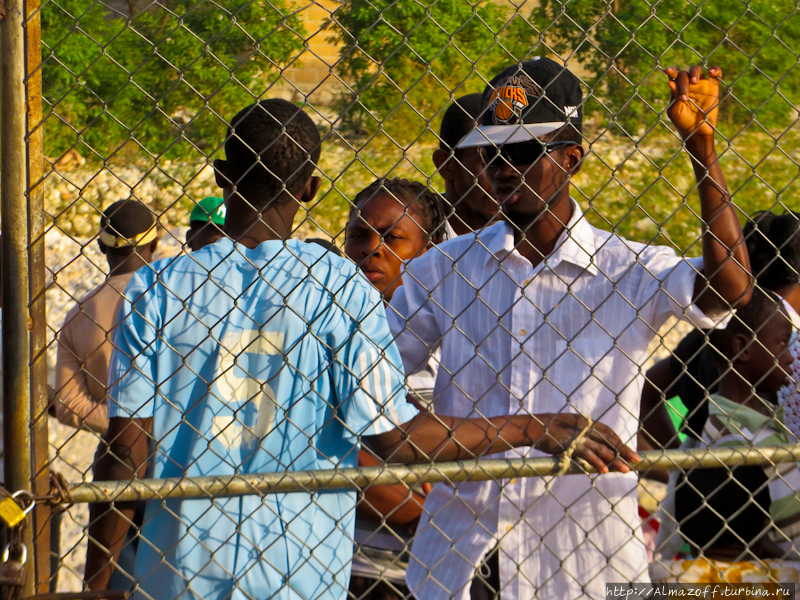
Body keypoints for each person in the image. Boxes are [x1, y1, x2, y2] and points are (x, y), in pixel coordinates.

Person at [84, 98, 637, 600]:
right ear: (310, 188)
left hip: (179, 569)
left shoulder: (160, 287)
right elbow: (393, 438)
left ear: (223, 176)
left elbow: (127, 449)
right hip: (296, 572)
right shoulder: (333, 284)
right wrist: (530, 428)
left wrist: (98, 579)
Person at [390, 58, 752, 600]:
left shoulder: (626, 267)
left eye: (523, 152)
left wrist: (702, 152)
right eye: (493, 152)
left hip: (585, 560)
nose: (504, 168)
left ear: (571, 158)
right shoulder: (441, 269)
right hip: (461, 558)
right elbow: (379, 384)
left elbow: (729, 289)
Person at [650, 288, 800, 587]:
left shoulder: (743, 422)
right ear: (742, 348)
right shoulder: (742, 441)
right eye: (783, 344)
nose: (790, 357)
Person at [344, 178, 448, 600]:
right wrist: (412, 510)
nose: (372, 248)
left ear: (429, 250)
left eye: (393, 237)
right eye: (358, 236)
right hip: (357, 564)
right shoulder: (329, 334)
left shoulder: (456, 334)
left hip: (444, 566)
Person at [641, 209, 800, 449]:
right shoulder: (790, 342)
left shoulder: (713, 328)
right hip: (768, 476)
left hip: (701, 470)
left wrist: (678, 464)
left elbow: (648, 391)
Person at [55, 200, 159, 434]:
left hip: (121, 452)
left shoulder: (79, 315)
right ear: (154, 243)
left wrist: (134, 425)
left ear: (101, 246)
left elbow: (69, 405)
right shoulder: (176, 295)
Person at [432, 94, 499, 237]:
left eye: (516, 158)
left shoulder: (529, 238)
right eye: (489, 160)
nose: (507, 173)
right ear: (446, 164)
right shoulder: (415, 237)